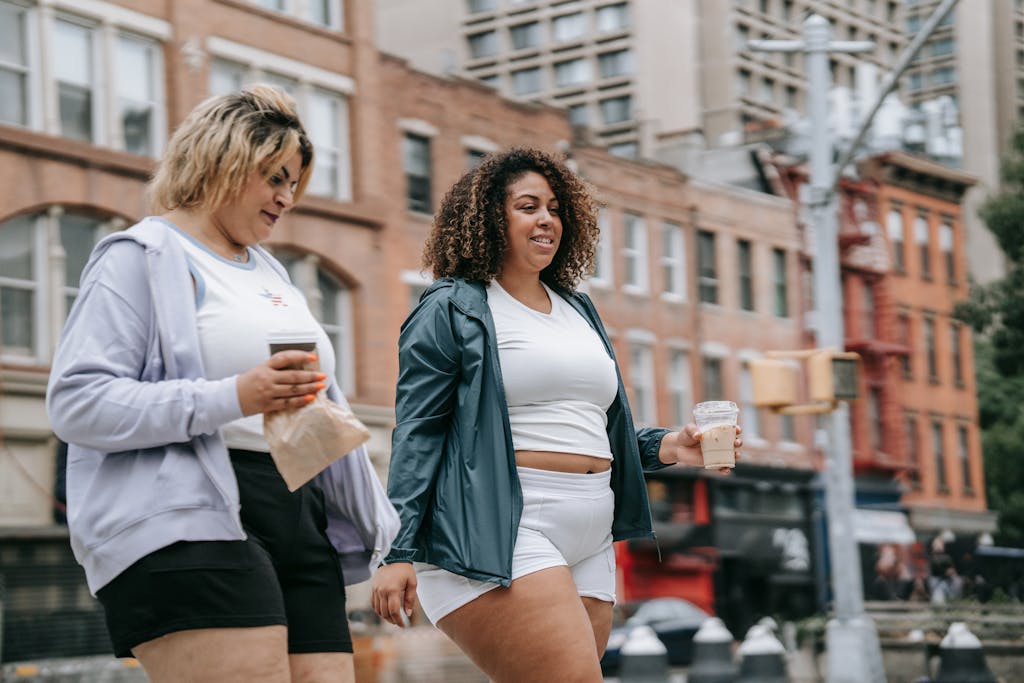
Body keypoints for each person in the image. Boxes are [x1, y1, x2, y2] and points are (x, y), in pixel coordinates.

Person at [47, 85, 398, 683]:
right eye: (276, 178)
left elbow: (314, 413)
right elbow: (78, 402)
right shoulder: (140, 255)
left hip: (296, 513)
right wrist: (234, 395)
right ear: (224, 161)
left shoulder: (271, 271)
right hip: (189, 517)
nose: (287, 199)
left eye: (295, 184)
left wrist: (387, 536)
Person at [371, 147, 743, 681]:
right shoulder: (451, 307)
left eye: (553, 207)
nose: (546, 218)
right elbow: (419, 432)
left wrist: (668, 446)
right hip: (502, 524)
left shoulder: (576, 307)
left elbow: (592, 430)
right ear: (489, 218)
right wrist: (397, 549)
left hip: (591, 528)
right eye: (527, 206)